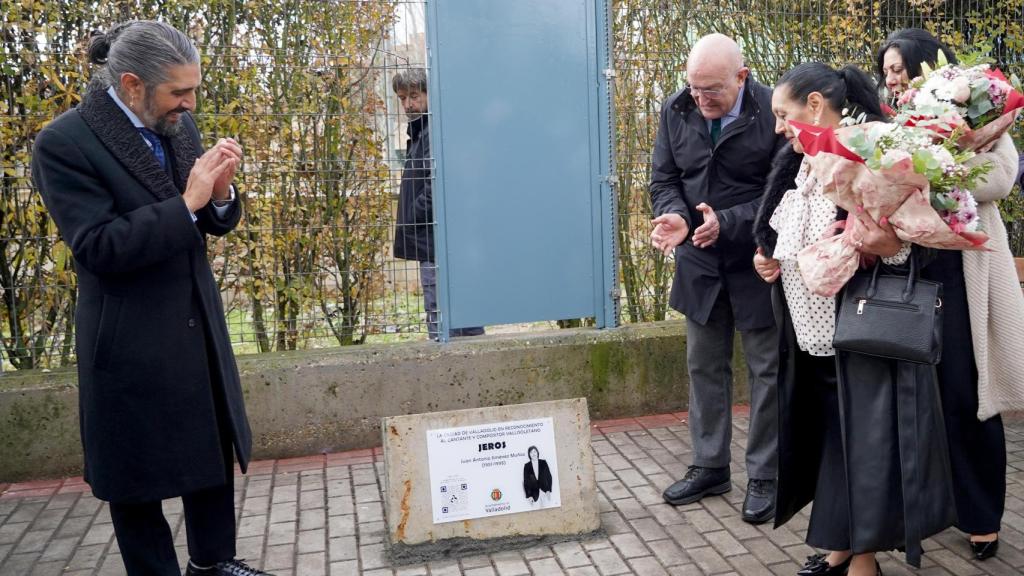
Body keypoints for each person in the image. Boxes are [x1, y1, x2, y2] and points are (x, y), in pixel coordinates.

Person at [30, 21, 271, 576]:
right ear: (133, 84)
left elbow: (209, 221)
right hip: (127, 333)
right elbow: (97, 247)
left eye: (193, 90)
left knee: (209, 454)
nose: (189, 104)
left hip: (195, 321)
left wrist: (221, 195)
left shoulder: (174, 121)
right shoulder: (63, 143)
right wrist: (186, 202)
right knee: (134, 476)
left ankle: (214, 564)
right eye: (179, 93)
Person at [754, 62, 956, 576]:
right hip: (808, 329)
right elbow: (792, 231)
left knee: (859, 441)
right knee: (831, 436)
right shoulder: (801, 162)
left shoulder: (869, 153)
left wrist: (882, 244)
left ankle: (861, 555)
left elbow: (901, 249)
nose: (778, 126)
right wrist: (769, 258)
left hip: (856, 327)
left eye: (784, 114)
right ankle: (842, 543)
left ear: (815, 106)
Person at [876, 27, 1024, 561]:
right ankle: (918, 509)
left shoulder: (980, 115)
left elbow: (1002, 177)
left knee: (967, 395)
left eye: (899, 68)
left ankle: (981, 515)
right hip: (907, 270)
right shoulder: (887, 122)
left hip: (963, 271)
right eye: (886, 71)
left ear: (925, 68)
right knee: (911, 399)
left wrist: (933, 171)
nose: (892, 79)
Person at [649, 33, 784, 524]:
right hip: (699, 263)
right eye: (694, 88)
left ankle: (766, 474)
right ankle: (710, 466)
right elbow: (663, 179)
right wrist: (676, 218)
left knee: (766, 371)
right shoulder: (677, 108)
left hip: (756, 259)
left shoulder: (774, 109)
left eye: (713, 91)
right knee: (704, 366)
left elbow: (784, 190)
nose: (700, 100)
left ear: (742, 77)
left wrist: (726, 222)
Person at [391, 68, 484, 341]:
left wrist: (413, 216)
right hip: (442, 237)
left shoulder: (435, 131)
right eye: (402, 98)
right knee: (462, 315)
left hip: (436, 238)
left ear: (431, 95)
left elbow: (440, 184)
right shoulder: (423, 131)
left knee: (441, 315)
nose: (409, 104)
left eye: (415, 96)